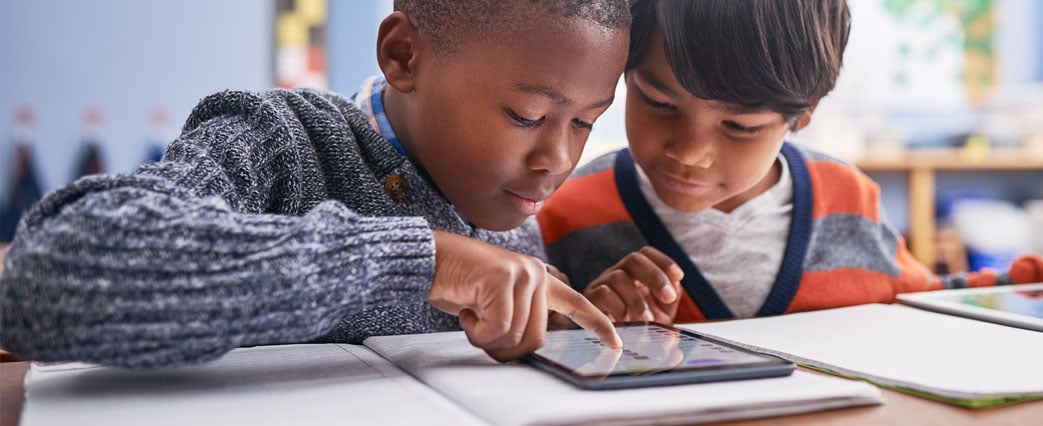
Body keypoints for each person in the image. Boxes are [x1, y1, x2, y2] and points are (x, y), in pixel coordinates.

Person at [0, 0, 631, 368]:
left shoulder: (511, 212)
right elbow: (45, 277)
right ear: (404, 55)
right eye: (526, 116)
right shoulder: (277, 140)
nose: (558, 157)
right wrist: (421, 262)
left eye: (585, 122)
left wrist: (570, 327)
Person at [538, 0, 1043, 324]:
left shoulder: (845, 199)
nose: (689, 150)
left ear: (804, 114)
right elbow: (524, 343)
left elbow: (936, 304)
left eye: (740, 126)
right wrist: (583, 323)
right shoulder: (566, 213)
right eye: (657, 102)